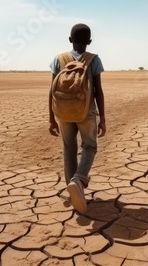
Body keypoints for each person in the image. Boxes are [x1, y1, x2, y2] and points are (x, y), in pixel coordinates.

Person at [48, 23, 106, 213]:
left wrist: (51, 117)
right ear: (89, 41)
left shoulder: (59, 59)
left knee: (68, 147)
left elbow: (52, 90)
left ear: (70, 40)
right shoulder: (93, 60)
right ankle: (78, 180)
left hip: (63, 112)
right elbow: (98, 91)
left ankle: (71, 188)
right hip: (85, 112)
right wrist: (102, 118)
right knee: (89, 146)